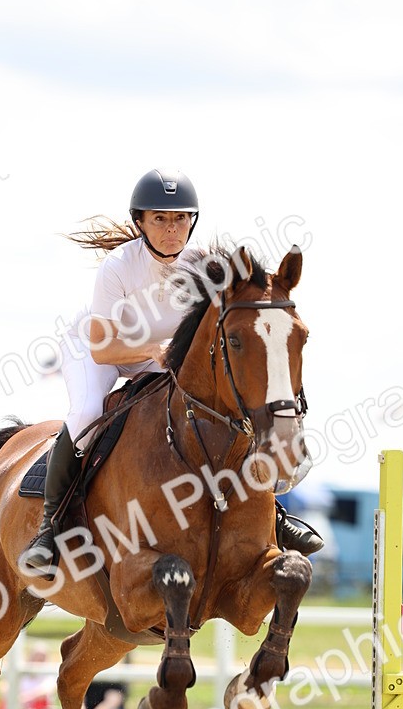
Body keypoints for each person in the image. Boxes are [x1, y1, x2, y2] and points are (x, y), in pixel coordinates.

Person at [20, 167, 323, 577]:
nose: (171, 229)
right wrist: (150, 350)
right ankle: (49, 528)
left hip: (160, 354)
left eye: (180, 218)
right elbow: (102, 348)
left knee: (229, 409)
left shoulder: (204, 267)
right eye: (160, 218)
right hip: (96, 349)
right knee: (87, 412)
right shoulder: (118, 266)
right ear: (140, 223)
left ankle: (275, 514)